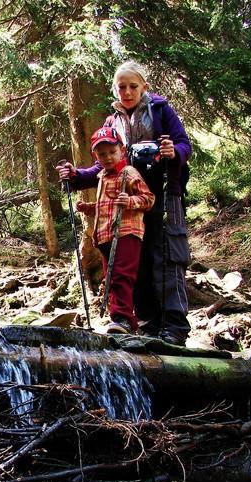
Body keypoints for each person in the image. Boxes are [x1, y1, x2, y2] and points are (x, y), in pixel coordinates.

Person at [58, 60, 192, 345]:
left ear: (144, 86)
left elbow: (183, 144)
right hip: (126, 205)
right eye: (122, 87)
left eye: (133, 86)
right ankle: (147, 324)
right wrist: (75, 177)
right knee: (135, 262)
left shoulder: (160, 111)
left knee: (167, 256)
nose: (127, 92)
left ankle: (174, 327)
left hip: (164, 194)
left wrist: (172, 151)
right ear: (115, 89)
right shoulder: (112, 122)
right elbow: (103, 167)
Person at [74, 126, 154, 335]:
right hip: (105, 236)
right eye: (102, 154)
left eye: (112, 152)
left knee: (121, 276)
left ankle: (124, 319)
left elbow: (148, 199)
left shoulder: (129, 173)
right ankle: (118, 319)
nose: (108, 157)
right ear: (96, 156)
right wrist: (89, 208)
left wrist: (130, 201)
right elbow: (106, 207)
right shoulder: (101, 177)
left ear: (122, 151)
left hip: (126, 233)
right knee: (109, 277)